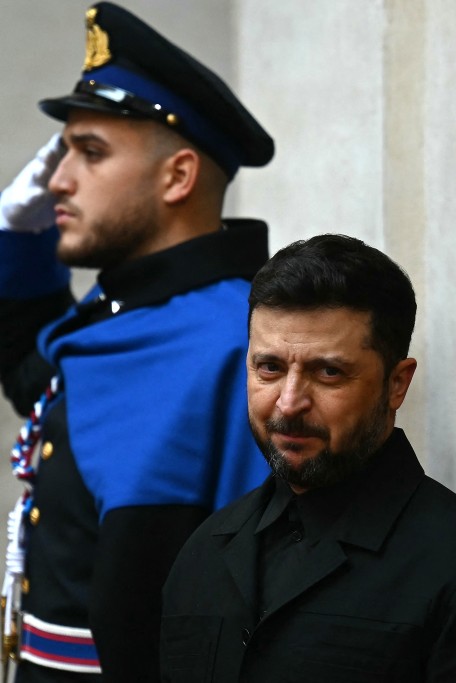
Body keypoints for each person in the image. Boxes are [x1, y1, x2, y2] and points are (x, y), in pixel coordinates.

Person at [0, 3, 274, 681]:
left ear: (177, 176)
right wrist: (19, 245)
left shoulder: (235, 341)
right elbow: (38, 380)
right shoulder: (125, 314)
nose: (58, 180)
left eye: (90, 153)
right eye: (64, 151)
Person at [160, 234, 456, 682]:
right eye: (269, 368)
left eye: (329, 372)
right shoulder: (203, 553)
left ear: (397, 384)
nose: (289, 402)